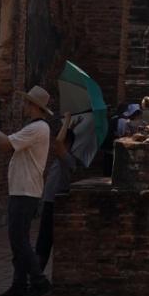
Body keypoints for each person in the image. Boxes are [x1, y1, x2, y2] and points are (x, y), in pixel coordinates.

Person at [0, 85, 53, 296]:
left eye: (26, 103)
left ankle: (39, 280)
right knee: (18, 239)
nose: (24, 106)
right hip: (23, 188)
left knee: (18, 238)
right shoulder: (36, 127)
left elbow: (6, 144)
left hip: (25, 190)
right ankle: (19, 283)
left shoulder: (37, 128)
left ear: (33, 106)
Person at [35, 110, 100, 275]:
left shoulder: (68, 160)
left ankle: (36, 277)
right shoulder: (62, 159)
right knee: (43, 241)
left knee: (44, 241)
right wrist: (70, 126)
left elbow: (58, 142)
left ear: (67, 144)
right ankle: (36, 274)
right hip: (49, 201)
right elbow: (61, 141)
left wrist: (67, 121)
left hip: (54, 203)